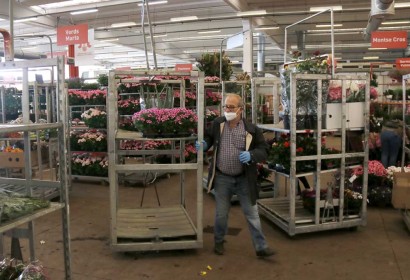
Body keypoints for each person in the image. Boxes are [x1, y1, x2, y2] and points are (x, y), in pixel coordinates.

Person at [196, 93, 275, 258]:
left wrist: (252, 155)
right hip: (222, 177)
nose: (227, 110)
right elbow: (210, 138)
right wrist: (204, 145)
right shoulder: (218, 124)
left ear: (240, 109)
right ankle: (218, 241)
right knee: (221, 214)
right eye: (225, 106)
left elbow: (264, 149)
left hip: (244, 178)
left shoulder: (252, 130)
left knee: (252, 214)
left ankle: (261, 247)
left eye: (231, 107)